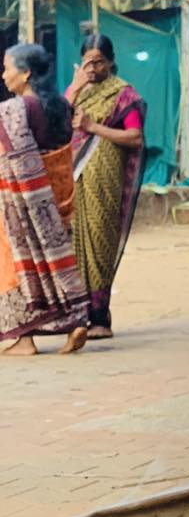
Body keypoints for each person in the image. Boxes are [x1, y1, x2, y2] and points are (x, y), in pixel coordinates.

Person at [0, 43, 89, 356]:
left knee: (16, 265)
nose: (3, 74)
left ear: (25, 73)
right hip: (55, 195)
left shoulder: (14, 109)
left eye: (7, 68)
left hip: (23, 202)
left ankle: (25, 339)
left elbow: (11, 156)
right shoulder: (58, 106)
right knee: (57, 262)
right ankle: (76, 320)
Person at [66, 34, 147, 340]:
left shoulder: (124, 94)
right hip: (76, 177)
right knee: (75, 244)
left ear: (111, 62)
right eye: (87, 61)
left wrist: (93, 127)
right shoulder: (77, 92)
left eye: (98, 61)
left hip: (105, 176)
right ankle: (78, 315)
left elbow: (135, 137)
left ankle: (100, 315)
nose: (93, 68)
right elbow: (58, 123)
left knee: (99, 242)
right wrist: (75, 88)